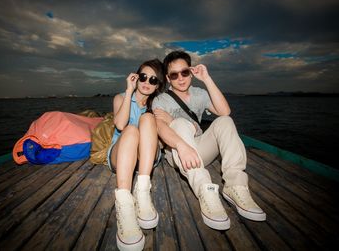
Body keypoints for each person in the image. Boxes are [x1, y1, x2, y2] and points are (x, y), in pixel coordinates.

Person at [152, 50, 266, 231]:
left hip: (199, 151)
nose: (180, 79)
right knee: (180, 124)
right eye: (174, 75)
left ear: (190, 72)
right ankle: (206, 191)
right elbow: (159, 128)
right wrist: (181, 144)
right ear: (168, 78)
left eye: (185, 72)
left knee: (225, 122)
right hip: (178, 153)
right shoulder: (161, 100)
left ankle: (235, 186)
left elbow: (225, 112)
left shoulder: (200, 94)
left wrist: (206, 79)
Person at [108, 58, 165, 251]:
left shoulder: (157, 105)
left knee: (148, 118)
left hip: (146, 158)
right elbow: (120, 125)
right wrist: (129, 90)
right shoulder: (120, 98)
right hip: (121, 154)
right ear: (135, 77)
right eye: (143, 77)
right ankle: (124, 204)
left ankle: (142, 190)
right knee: (131, 129)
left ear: (158, 86)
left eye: (153, 80)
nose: (147, 83)